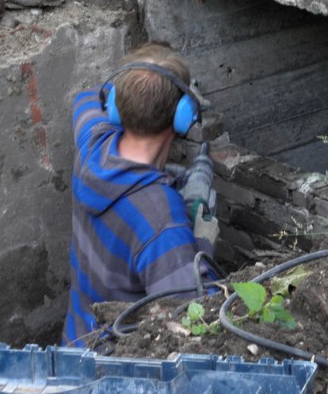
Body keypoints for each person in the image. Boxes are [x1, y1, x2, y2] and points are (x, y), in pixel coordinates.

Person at [62, 42, 219, 347]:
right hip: (115, 365)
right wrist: (202, 243)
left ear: (114, 106)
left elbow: (86, 97)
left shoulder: (93, 142)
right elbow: (195, 320)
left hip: (74, 345)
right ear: (183, 118)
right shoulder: (162, 222)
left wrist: (137, 89)